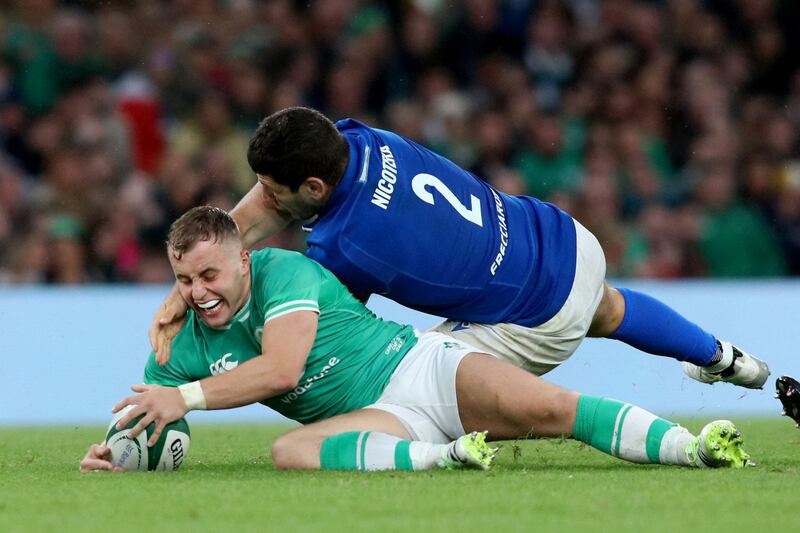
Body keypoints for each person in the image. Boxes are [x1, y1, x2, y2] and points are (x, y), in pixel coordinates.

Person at [80, 206, 752, 473]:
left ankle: (700, 450)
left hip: (423, 368)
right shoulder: (183, 338)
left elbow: (282, 369)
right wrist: (120, 449)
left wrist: (187, 397)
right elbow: (155, 412)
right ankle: (444, 457)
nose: (197, 290)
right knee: (290, 452)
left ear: (241, 261)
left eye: (208, 272)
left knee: (553, 411)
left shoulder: (285, 271)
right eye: (182, 277)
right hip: (379, 417)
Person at [146, 107, 771, 390]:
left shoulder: (348, 245)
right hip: (563, 240)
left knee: (411, 382)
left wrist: (203, 314)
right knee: (605, 307)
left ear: (313, 186)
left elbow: (321, 327)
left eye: (276, 193)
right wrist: (202, 270)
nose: (264, 202)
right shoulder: (360, 139)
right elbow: (260, 215)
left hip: (536, 320)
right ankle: (728, 359)